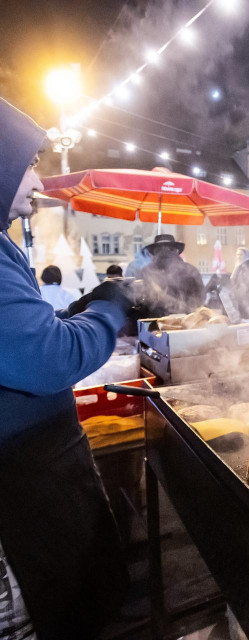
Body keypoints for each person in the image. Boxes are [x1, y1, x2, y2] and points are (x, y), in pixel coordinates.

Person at [0, 98, 131, 638]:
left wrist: (78, 311)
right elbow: (47, 357)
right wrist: (111, 308)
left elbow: (22, 331)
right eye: (27, 164)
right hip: (20, 495)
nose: (39, 182)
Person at [140, 234, 205, 317]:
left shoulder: (147, 271)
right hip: (185, 321)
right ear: (176, 251)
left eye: (167, 249)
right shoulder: (147, 272)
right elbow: (201, 298)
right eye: (160, 250)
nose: (164, 252)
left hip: (184, 321)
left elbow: (200, 298)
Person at [231, 247, 249, 320]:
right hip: (240, 299)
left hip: (248, 300)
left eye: (240, 255)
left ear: (246, 256)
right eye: (237, 255)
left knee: (247, 320)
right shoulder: (238, 267)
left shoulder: (248, 268)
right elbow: (232, 280)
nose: (238, 257)